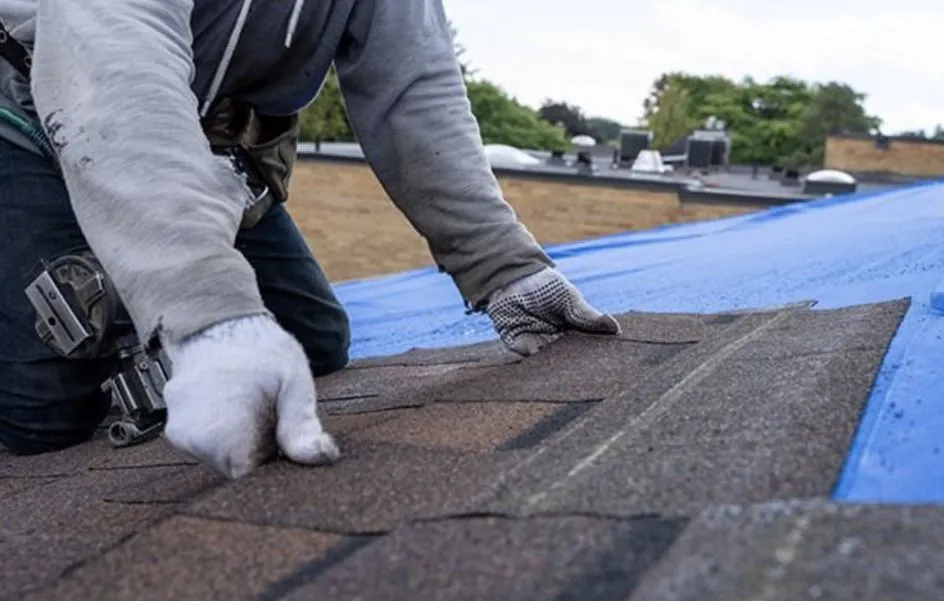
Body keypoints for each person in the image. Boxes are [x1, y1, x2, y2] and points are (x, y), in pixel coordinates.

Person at [0, 0, 621, 479]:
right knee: (45, 417)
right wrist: (207, 317)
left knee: (313, 343)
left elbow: (412, 86)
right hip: (33, 122)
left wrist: (506, 268)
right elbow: (113, 72)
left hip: (204, 143)